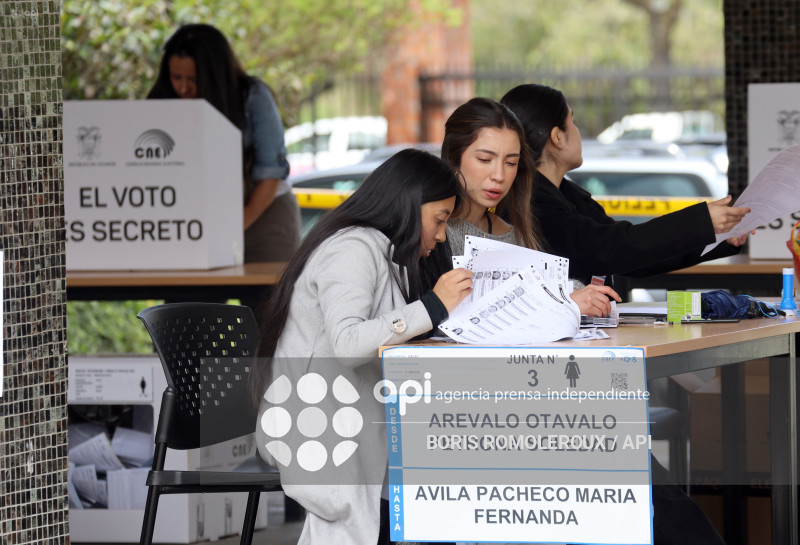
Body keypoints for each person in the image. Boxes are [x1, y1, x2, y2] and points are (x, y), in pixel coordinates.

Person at [250, 149, 473, 545]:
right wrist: (434, 306)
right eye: (439, 220)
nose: (441, 236)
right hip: (319, 426)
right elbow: (349, 344)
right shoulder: (352, 248)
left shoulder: (385, 253)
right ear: (407, 205)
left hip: (351, 415)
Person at [500, 83, 750, 288]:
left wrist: (719, 236)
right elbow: (612, 247)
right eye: (572, 122)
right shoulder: (531, 202)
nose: (578, 131)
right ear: (557, 137)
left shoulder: (567, 195)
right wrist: (701, 222)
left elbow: (634, 258)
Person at [148, 24, 299, 318]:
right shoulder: (163, 103)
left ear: (215, 74)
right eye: (176, 77)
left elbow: (270, 173)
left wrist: (228, 230)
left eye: (193, 79)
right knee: (188, 320)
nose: (183, 88)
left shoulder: (252, 97)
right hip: (193, 227)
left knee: (268, 322)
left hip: (263, 218)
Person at [441, 97, 620, 318]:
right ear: (453, 157)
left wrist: (584, 295)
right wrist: (562, 301)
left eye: (511, 163)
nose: (499, 176)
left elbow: (544, 281)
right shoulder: (433, 232)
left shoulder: (513, 233)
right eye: (485, 159)